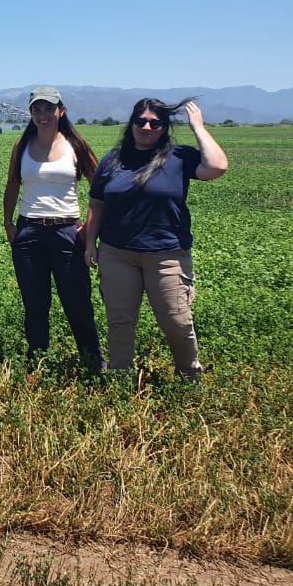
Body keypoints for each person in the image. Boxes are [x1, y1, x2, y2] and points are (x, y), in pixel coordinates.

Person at [83, 98, 229, 379]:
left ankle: (189, 376)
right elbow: (97, 204)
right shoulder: (113, 160)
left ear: (164, 127)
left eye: (155, 123)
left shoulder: (179, 157)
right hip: (117, 253)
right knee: (120, 321)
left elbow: (217, 166)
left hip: (166, 254)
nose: (146, 127)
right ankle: (121, 378)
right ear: (132, 124)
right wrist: (90, 243)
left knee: (177, 319)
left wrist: (198, 127)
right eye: (141, 121)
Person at [2, 86, 104, 370]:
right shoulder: (22, 146)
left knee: (77, 302)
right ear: (31, 113)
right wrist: (8, 224)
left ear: (61, 111)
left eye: (49, 108)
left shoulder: (75, 145)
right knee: (35, 304)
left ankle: (93, 364)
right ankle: (38, 364)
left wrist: (89, 228)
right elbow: (12, 185)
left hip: (67, 231)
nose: (43, 114)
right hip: (29, 232)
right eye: (37, 109)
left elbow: (100, 189)